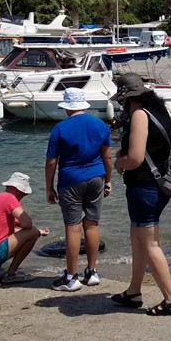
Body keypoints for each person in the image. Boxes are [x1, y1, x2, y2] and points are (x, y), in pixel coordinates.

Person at [110, 73, 171, 316]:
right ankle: (134, 291)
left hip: (144, 186)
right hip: (160, 183)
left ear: (128, 99)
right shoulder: (160, 111)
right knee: (139, 239)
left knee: (150, 244)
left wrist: (118, 163)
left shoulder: (140, 115)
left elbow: (135, 158)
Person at [45, 88, 113, 292]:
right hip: (97, 177)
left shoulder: (60, 129)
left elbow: (51, 162)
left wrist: (49, 188)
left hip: (71, 179)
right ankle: (92, 272)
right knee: (92, 224)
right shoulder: (100, 125)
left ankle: (71, 277)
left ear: (67, 107)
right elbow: (107, 157)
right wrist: (108, 181)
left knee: (73, 227)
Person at [0, 172, 49, 285]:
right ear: (19, 191)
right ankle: (11, 274)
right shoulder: (9, 198)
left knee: (32, 232)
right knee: (33, 232)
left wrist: (39, 232)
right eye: (24, 194)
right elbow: (28, 224)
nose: (22, 197)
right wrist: (36, 233)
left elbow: (8, 231)